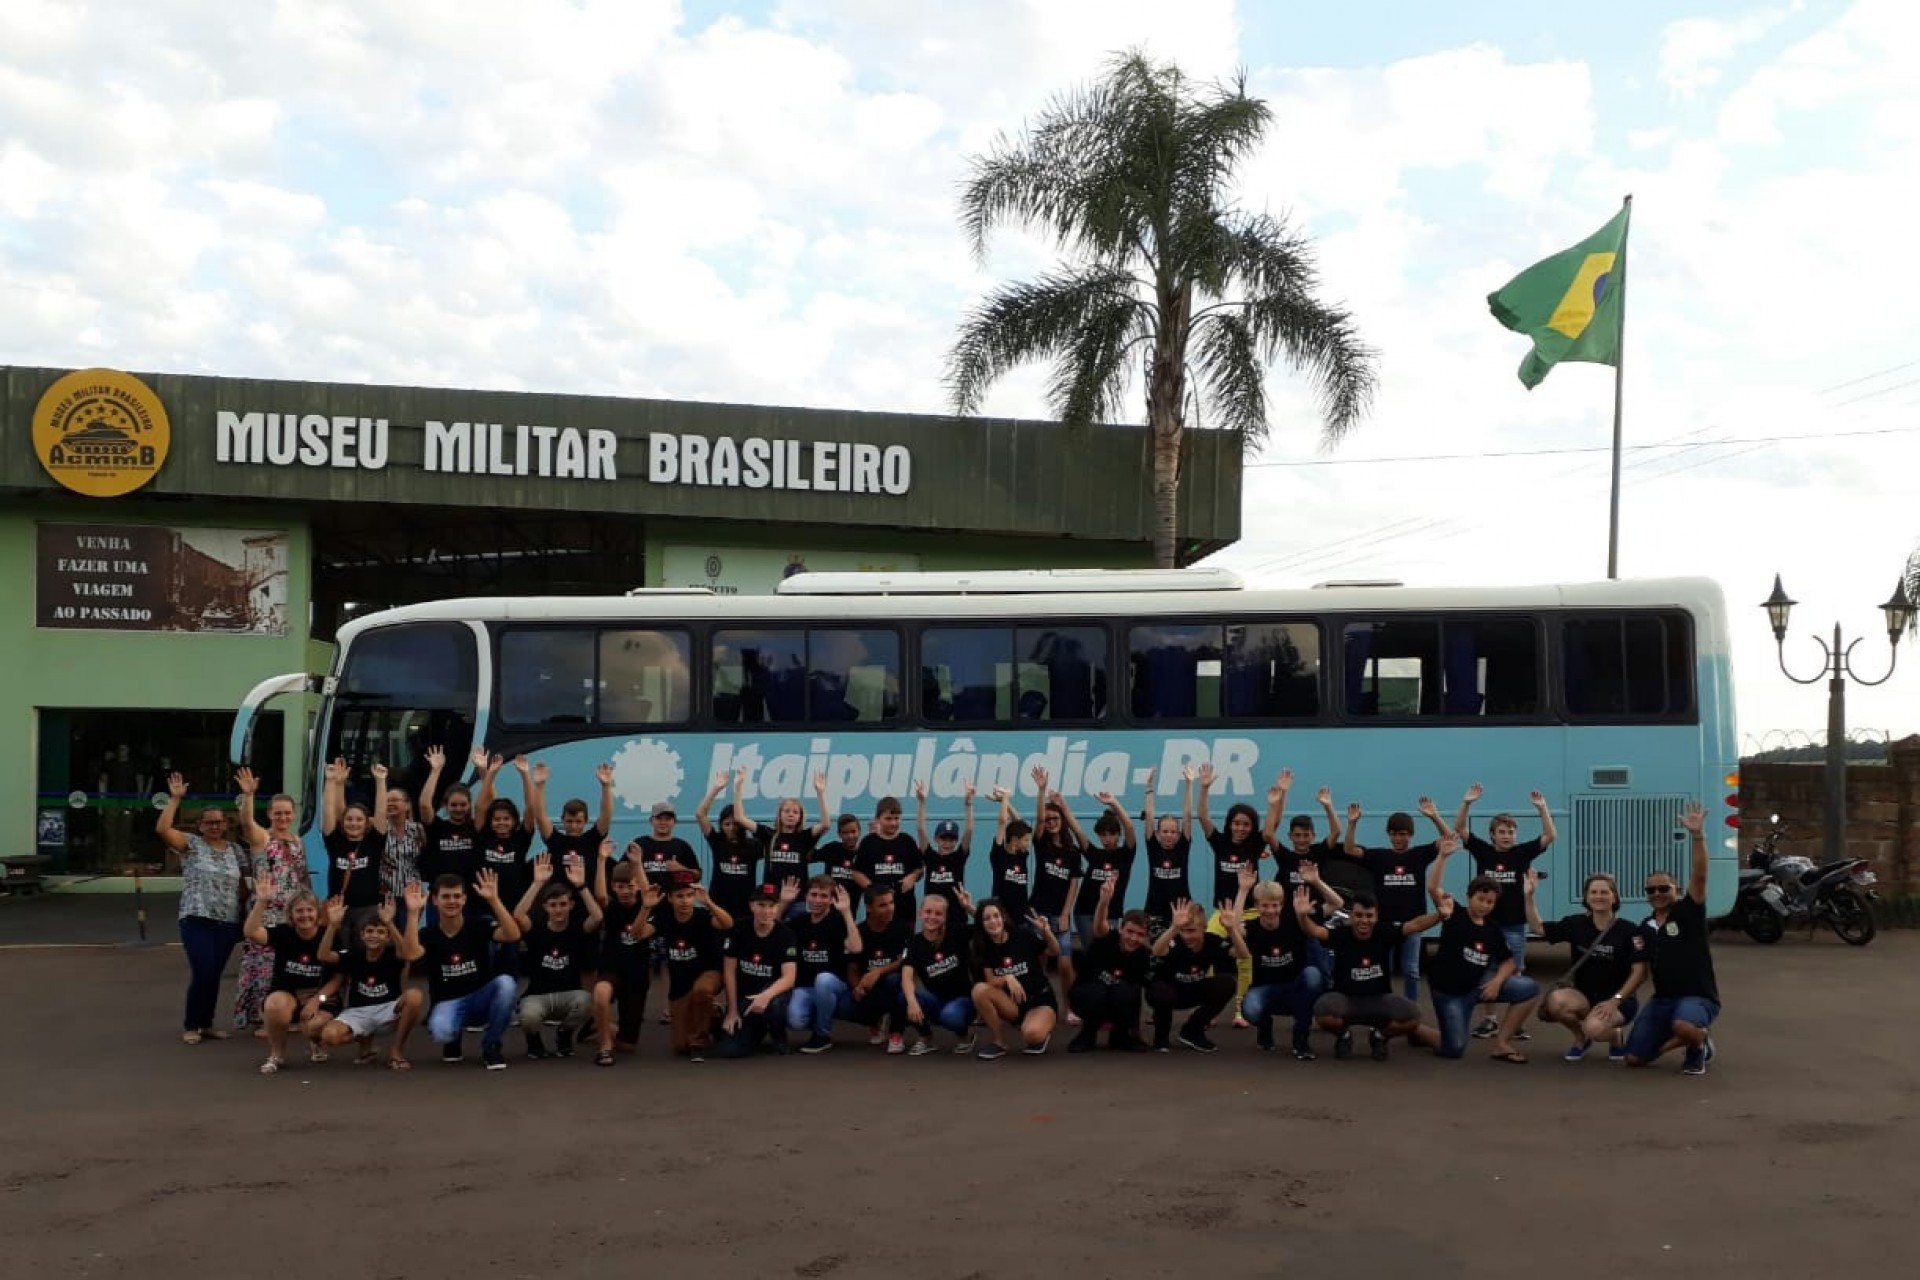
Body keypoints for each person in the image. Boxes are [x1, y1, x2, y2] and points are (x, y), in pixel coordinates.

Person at [1614, 803, 1720, 1076]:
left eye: (1664, 888)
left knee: (1683, 1026)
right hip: (1663, 1000)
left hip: (1697, 997)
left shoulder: (1689, 912)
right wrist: (1614, 999)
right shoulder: (1645, 927)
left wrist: (1698, 836)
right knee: (1634, 1059)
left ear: (1677, 890)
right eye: (1652, 889)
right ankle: (1690, 1038)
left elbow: (1700, 875)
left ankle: (1697, 1044)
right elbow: (1640, 971)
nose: (1658, 893)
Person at [1423, 840, 1542, 1063]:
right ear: (1470, 896)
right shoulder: (1454, 914)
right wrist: (1443, 857)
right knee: (1453, 1049)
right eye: (1481, 899)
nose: (1485, 905)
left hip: (1478, 986)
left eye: (1490, 902)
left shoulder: (1492, 929)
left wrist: (1497, 981)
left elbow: (1509, 962)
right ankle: (1418, 1031)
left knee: (1529, 988)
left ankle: (1502, 1044)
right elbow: (1432, 887)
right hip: (1450, 993)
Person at [1454, 783, 1557, 1039]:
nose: (1506, 836)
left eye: (1510, 831)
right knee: (1486, 971)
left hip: (1514, 925)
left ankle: (1515, 1022)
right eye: (1501, 832)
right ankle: (1489, 1021)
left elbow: (1550, 836)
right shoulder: (1484, 852)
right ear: (1492, 835)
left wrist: (1542, 808)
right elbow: (1459, 830)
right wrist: (1467, 803)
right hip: (1486, 926)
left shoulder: (1522, 854)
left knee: (1516, 971)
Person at [159, 770, 248, 1045]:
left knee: (214, 973)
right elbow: (162, 830)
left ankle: (206, 1024)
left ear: (226, 824)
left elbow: (246, 883)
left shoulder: (236, 850)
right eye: (208, 823)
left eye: (218, 822)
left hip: (228, 922)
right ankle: (191, 1024)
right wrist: (175, 800)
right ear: (199, 826)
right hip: (196, 918)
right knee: (204, 969)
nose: (214, 826)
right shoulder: (192, 845)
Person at [1302, 888, 1442, 1061]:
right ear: (1351, 916)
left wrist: (1440, 915)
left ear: (1376, 917)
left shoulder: (1384, 932)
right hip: (1347, 1000)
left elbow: (1415, 925)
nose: (1364, 921)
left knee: (1413, 1016)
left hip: (1379, 1000)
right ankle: (1344, 1036)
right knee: (1322, 1011)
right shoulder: (1340, 935)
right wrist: (1302, 915)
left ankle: (1380, 1037)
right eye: (1359, 915)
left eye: (1369, 916)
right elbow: (1314, 931)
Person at [1340, 796, 1453, 1000]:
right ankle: (1384, 1006)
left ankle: (1411, 1012)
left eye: (1402, 834)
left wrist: (1434, 816)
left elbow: (1449, 838)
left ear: (1410, 835)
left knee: (1411, 970)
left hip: (1414, 922)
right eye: (1394, 834)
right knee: (1385, 968)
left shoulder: (1419, 855)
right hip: (1384, 925)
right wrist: (1352, 824)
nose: (1398, 839)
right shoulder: (1379, 856)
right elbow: (1349, 850)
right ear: (1388, 835)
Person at [1525, 869, 1644, 1062]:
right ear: (1586, 897)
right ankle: (1580, 1038)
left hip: (1620, 1000)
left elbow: (1640, 973)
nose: (1599, 896)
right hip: (1585, 995)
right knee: (1556, 1002)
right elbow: (1537, 928)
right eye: (1594, 892)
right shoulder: (1576, 924)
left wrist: (1616, 1000)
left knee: (1594, 1028)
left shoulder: (1629, 930)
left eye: (1605, 892)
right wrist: (1529, 896)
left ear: (1614, 897)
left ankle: (1614, 1036)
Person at [421, 868, 524, 1070]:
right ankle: (453, 1039)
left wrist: (494, 900)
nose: (452, 901)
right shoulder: (428, 933)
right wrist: (414, 912)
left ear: (465, 899)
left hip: (480, 1000)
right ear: (435, 900)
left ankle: (492, 1045)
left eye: (457, 896)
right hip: (448, 1003)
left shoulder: (479, 925)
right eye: (446, 896)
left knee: (506, 984)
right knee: (441, 1031)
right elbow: (407, 954)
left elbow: (512, 935)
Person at [312, 888, 426, 1070]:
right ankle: (366, 1045)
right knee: (329, 1036)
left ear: (387, 937)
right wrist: (332, 926)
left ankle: (396, 1052)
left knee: (414, 996)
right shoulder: (353, 955)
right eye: (370, 931)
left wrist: (390, 923)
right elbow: (323, 955)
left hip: (388, 1011)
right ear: (362, 935)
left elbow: (407, 953)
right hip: (358, 1013)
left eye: (381, 932)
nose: (374, 935)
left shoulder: (392, 954)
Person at [233, 768, 309, 1034]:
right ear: (269, 815)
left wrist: (312, 905)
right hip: (264, 912)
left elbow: (302, 877)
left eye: (287, 813)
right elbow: (246, 823)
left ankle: (284, 1014)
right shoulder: (263, 839)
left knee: (286, 966)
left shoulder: (298, 841)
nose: (283, 817)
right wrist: (248, 795)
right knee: (263, 966)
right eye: (277, 813)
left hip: (291, 915)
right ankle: (262, 1019)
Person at [512, 852, 603, 1059]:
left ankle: (564, 1034)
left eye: (563, 904)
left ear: (571, 905)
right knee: (528, 1016)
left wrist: (581, 886)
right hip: (537, 997)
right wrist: (537, 883)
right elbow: (518, 915)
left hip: (568, 996)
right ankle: (534, 1042)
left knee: (587, 1000)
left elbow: (597, 917)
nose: (558, 909)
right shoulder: (536, 930)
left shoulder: (577, 930)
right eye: (553, 905)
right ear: (545, 908)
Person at [243, 879, 332, 1075]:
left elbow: (340, 977)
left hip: (321, 997)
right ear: (291, 914)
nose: (305, 915)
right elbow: (250, 932)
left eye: (309, 910)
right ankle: (277, 1055)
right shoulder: (284, 933)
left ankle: (316, 1042)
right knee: (275, 1005)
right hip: (288, 993)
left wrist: (317, 1001)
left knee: (316, 1025)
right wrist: (262, 901)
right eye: (299, 911)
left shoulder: (328, 935)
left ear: (317, 913)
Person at [1237, 871, 1329, 1060]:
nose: (1270, 911)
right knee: (1251, 1010)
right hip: (1265, 989)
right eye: (1264, 906)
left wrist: (1316, 881)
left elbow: (1336, 904)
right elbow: (1234, 926)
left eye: (1275, 905)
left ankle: (1301, 1039)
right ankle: (1264, 1025)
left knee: (1313, 975)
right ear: (1256, 906)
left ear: (1282, 904)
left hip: (1294, 987)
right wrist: (1243, 889)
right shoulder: (1252, 927)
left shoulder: (1296, 920)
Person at [651, 870, 734, 1061]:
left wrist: (709, 903)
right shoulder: (664, 918)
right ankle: (713, 1014)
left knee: (702, 990)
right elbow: (638, 933)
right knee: (680, 1046)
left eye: (689, 895)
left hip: (709, 974)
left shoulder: (702, 916)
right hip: (681, 984)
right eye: (679, 896)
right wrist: (646, 908)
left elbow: (727, 923)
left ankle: (699, 1042)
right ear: (670, 898)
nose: (685, 901)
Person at [589, 857, 662, 1065]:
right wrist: (601, 859)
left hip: (636, 976)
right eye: (620, 886)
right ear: (614, 887)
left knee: (628, 1046)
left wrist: (639, 865)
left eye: (630, 886)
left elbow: (639, 932)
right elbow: (601, 896)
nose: (626, 891)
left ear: (638, 886)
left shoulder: (649, 907)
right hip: (612, 969)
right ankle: (604, 1047)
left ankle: (599, 1024)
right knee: (601, 993)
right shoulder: (611, 906)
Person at [1067, 878, 1152, 1052]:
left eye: (1139, 934)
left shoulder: (1142, 955)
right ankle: (1087, 1035)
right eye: (1129, 931)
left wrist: (1136, 1032)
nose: (1133, 938)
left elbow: (1137, 996)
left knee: (1128, 991)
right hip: (1087, 996)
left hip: (1114, 1001)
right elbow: (1099, 924)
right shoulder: (1107, 938)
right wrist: (1104, 902)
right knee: (1097, 992)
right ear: (1120, 929)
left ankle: (1120, 1036)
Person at [716, 883, 800, 1058]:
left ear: (777, 908)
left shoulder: (786, 935)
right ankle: (756, 1028)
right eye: (761, 905)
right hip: (746, 997)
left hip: (772, 993)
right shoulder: (738, 929)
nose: (766, 911)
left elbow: (789, 978)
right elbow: (729, 972)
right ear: (752, 906)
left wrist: (766, 996)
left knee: (775, 1005)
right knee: (730, 1050)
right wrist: (732, 1011)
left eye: (771, 906)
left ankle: (779, 1035)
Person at [969, 899, 1059, 1059]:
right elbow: (990, 982)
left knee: (1032, 1035)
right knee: (979, 990)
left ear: (1003, 918)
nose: (992, 921)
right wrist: (1007, 977)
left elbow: (1054, 951)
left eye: (996, 916)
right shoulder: (984, 946)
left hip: (1039, 1000)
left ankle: (1039, 1029)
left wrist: (1046, 932)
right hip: (1013, 1004)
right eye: (987, 918)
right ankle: (999, 1042)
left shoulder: (1022, 936)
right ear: (981, 923)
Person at [1148, 896, 1239, 1053]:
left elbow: (1242, 953)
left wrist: (1231, 930)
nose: (1186, 936)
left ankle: (1192, 1031)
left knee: (1227, 983)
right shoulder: (1173, 939)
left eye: (1192, 930)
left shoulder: (1212, 941)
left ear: (1204, 927)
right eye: (1183, 930)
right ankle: (1161, 1036)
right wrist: (1174, 928)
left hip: (1192, 991)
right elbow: (1156, 951)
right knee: (1161, 991)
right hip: (1167, 993)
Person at [785, 876, 864, 1054]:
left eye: (824, 896)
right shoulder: (799, 922)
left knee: (824, 980)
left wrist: (846, 912)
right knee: (795, 1020)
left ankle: (822, 1035)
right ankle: (822, 1015)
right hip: (806, 986)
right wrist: (783, 903)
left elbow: (856, 947)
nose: (818, 900)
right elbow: (771, 932)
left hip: (835, 985)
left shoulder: (838, 921)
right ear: (806, 896)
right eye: (813, 894)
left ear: (831, 899)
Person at [1028, 768, 1083, 1017]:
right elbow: (1037, 822)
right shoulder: (1041, 845)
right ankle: (1037, 1003)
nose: (1050, 823)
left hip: (1059, 915)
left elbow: (1073, 883)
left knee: (1064, 963)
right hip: (1038, 911)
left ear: (1062, 821)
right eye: (1048, 819)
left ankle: (1070, 1007)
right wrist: (1041, 790)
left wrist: (1065, 914)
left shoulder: (1072, 852)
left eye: (1055, 819)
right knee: (1037, 961)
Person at [900, 886, 978, 1055]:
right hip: (936, 999)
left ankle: (965, 1036)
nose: (932, 917)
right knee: (903, 997)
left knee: (950, 1016)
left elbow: (985, 925)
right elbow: (906, 976)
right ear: (920, 913)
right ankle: (925, 1037)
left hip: (963, 1000)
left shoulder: (956, 932)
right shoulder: (914, 942)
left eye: (938, 913)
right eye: (928, 912)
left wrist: (968, 907)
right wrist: (912, 1002)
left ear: (945, 917)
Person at [531, 759, 614, 909]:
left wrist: (606, 786)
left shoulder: (592, 839)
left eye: (578, 821)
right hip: (560, 906)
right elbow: (540, 815)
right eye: (569, 821)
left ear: (585, 821)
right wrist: (539, 786)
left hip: (588, 904)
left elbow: (606, 814)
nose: (573, 825)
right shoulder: (555, 840)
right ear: (562, 820)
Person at [843, 885, 913, 1050]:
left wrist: (879, 971)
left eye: (891, 903)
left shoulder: (901, 929)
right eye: (883, 905)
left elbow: (905, 960)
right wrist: (857, 987)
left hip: (893, 982)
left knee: (896, 981)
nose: (890, 909)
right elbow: (852, 968)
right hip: (869, 988)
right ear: (868, 907)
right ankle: (877, 1020)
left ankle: (896, 1034)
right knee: (849, 1004)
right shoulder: (858, 932)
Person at [320, 756, 390, 915]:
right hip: (338, 909)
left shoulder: (374, 841)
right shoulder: (335, 841)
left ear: (367, 823)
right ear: (342, 823)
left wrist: (380, 781)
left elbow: (381, 812)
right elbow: (328, 811)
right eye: (349, 819)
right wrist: (330, 781)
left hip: (369, 909)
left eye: (359, 820)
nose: (354, 823)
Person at [471, 754, 538, 914]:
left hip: (514, 906)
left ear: (515, 821)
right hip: (483, 908)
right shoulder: (484, 837)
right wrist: (491, 773)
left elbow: (530, 808)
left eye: (506, 819)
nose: (501, 823)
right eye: (497, 819)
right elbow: (479, 806)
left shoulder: (521, 839)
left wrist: (525, 774)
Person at [418, 746, 484, 903]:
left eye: (463, 805)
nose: (458, 809)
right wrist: (436, 770)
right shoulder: (438, 827)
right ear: (446, 806)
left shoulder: (476, 826)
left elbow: (486, 803)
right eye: (454, 805)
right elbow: (424, 805)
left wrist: (483, 770)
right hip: (440, 897)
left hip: (471, 897)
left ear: (469, 805)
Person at [697, 770, 764, 920]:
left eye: (735, 823)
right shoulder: (717, 841)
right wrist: (716, 789)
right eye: (726, 824)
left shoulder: (753, 845)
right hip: (719, 904)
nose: (731, 827)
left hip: (745, 907)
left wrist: (738, 788)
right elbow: (700, 815)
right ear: (721, 825)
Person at [1072, 792, 1136, 946]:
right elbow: (1077, 831)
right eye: (1103, 835)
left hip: (1111, 914)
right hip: (1085, 912)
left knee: (1108, 951)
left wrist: (1113, 803)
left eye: (1112, 834)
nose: (1107, 839)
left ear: (1119, 835)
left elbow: (1129, 827)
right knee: (1091, 953)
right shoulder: (1094, 854)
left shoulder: (1125, 854)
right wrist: (1062, 805)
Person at [758, 772, 832, 895]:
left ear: (800, 817)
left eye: (795, 812)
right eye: (786, 811)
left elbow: (825, 824)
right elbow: (740, 818)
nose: (790, 814)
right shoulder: (769, 834)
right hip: (772, 899)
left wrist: (820, 793)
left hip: (798, 899)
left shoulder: (804, 836)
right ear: (780, 815)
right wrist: (738, 787)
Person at [1141, 767, 1195, 932]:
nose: (1169, 835)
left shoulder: (1182, 847)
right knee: (1157, 951)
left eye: (1173, 832)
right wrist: (1149, 787)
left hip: (1181, 909)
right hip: (1154, 910)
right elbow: (1149, 817)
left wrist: (1189, 785)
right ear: (1157, 833)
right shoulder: (1153, 846)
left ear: (1179, 834)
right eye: (1165, 831)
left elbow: (1187, 816)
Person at [913, 778, 976, 916]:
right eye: (943, 838)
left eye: (952, 839)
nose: (947, 843)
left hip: (956, 916)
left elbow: (969, 830)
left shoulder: (959, 857)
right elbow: (920, 830)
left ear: (956, 841)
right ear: (936, 838)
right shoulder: (930, 857)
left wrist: (968, 803)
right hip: (933, 917)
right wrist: (922, 803)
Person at [853, 796, 924, 917]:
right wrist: (873, 889)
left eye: (896, 818)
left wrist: (912, 877)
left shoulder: (907, 841)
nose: (893, 823)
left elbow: (919, 868)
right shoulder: (868, 842)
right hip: (877, 910)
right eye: (888, 819)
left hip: (905, 908)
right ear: (878, 819)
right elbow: (856, 873)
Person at [631, 800, 701, 891]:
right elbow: (621, 872)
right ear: (651, 821)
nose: (663, 822)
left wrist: (681, 869)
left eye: (668, 819)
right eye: (659, 818)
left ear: (675, 822)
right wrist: (638, 869)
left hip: (674, 903)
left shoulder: (682, 846)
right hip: (644, 900)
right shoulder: (639, 844)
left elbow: (697, 877)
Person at [986, 788, 1033, 921]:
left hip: (1022, 915)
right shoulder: (999, 855)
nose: (1028, 843)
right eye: (1025, 840)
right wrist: (1005, 798)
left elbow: (1020, 823)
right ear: (1014, 839)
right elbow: (1002, 822)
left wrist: (1006, 802)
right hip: (1003, 916)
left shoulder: (1021, 855)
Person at [819, 812, 866, 909]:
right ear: (839, 834)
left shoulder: (864, 854)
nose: (850, 836)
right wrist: (815, 835)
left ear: (859, 831)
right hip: (827, 908)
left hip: (850, 910)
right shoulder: (832, 849)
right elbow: (808, 856)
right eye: (845, 833)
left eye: (853, 832)